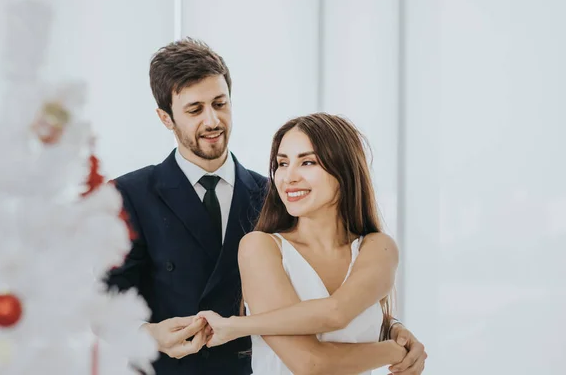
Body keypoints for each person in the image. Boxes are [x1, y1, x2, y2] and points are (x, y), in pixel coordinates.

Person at [105, 38, 427, 375]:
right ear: (165, 118)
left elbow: (322, 287)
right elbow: (103, 301)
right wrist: (149, 335)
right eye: (195, 109)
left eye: (220, 103)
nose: (213, 120)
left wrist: (391, 326)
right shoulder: (130, 195)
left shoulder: (278, 195)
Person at [195, 113, 424, 375]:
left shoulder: (378, 248)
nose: (288, 177)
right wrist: (394, 351)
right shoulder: (260, 247)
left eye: (307, 162)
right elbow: (310, 363)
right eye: (282, 163)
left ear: (344, 169)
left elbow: (339, 313)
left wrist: (236, 326)